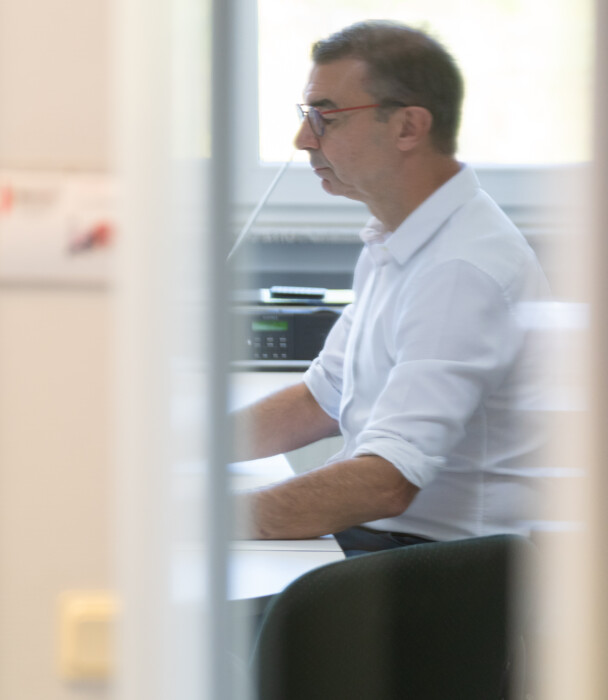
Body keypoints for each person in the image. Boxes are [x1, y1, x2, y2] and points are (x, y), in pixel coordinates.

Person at [232, 21, 548, 556]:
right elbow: (320, 400)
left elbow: (387, 481)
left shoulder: (462, 267)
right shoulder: (399, 236)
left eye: (326, 117)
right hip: (393, 545)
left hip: (442, 568)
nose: (303, 139)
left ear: (408, 127)